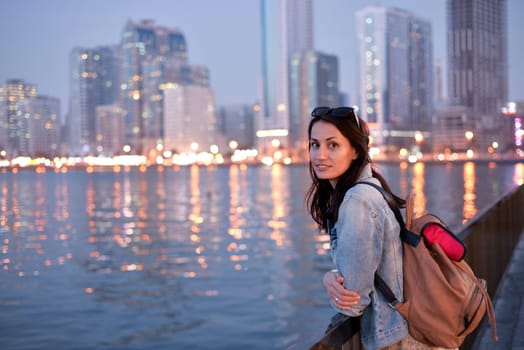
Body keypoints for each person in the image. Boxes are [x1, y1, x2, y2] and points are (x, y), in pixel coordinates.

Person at [306, 106, 452, 350]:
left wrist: (328, 279)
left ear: (354, 150)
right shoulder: (373, 188)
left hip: (397, 340)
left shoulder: (357, 201)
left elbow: (353, 302)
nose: (320, 155)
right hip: (411, 330)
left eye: (333, 145)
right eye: (314, 144)